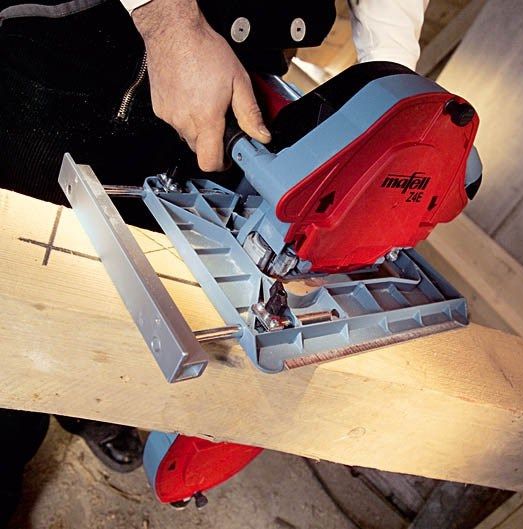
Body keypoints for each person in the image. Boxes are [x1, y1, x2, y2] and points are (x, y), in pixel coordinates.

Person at [0, 0, 428, 524]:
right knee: (23, 293)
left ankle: (89, 410)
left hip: (237, 62)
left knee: (132, 287)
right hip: (80, 36)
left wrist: (391, 97)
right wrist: (166, 18)